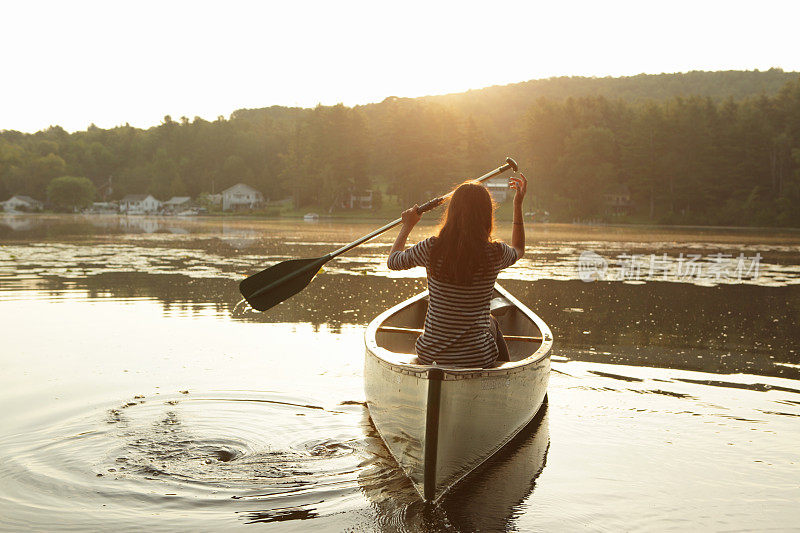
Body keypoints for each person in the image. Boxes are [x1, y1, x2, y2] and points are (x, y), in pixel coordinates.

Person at [387, 173, 527, 368]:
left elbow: (393, 261)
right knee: (491, 321)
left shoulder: (432, 247)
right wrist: (517, 204)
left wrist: (408, 225)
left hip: (431, 357)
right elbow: (519, 249)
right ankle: (508, 374)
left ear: (452, 212)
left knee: (489, 320)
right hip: (477, 359)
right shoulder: (495, 253)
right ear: (487, 215)